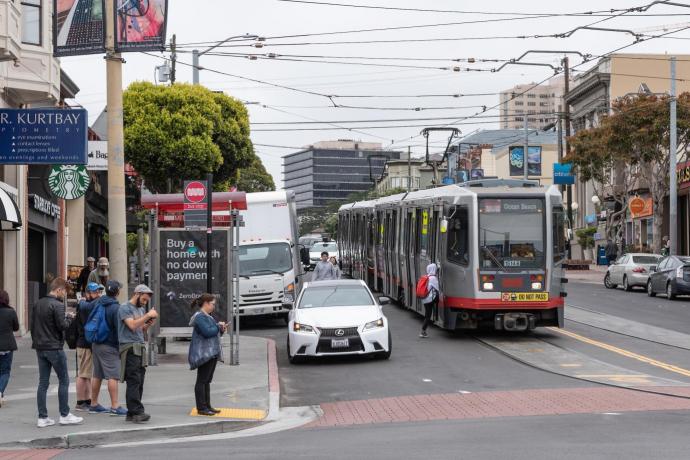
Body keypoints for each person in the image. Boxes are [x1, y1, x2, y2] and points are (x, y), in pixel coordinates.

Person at [31, 278, 83, 427]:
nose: (65, 294)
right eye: (65, 291)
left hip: (40, 347)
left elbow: (33, 326)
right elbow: (62, 326)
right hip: (54, 347)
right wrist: (70, 317)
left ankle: (42, 417)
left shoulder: (38, 303)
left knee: (43, 383)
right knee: (64, 380)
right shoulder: (58, 305)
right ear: (59, 289)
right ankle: (64, 414)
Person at [118, 284, 158, 423]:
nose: (145, 302)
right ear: (137, 294)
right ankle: (137, 411)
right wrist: (148, 315)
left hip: (139, 347)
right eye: (144, 299)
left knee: (139, 381)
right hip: (129, 348)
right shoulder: (124, 308)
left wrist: (148, 324)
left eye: (146, 301)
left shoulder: (140, 309)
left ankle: (131, 412)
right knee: (134, 380)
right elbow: (132, 326)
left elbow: (139, 329)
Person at [89, 280, 127, 416]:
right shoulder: (116, 308)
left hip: (96, 342)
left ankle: (93, 403)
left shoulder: (99, 303)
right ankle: (115, 406)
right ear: (117, 292)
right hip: (109, 345)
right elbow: (119, 329)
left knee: (97, 374)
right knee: (113, 376)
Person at [188, 294, 226, 416]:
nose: (214, 306)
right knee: (202, 380)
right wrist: (218, 327)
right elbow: (207, 332)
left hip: (211, 352)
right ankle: (201, 408)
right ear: (206, 303)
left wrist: (221, 329)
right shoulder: (200, 317)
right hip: (204, 353)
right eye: (213, 304)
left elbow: (214, 333)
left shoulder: (207, 317)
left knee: (207, 380)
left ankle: (207, 406)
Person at [74, 282, 103, 412]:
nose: (98, 294)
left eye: (98, 292)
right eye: (95, 292)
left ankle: (87, 400)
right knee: (82, 374)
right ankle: (81, 402)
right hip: (84, 344)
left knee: (86, 374)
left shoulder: (84, 304)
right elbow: (92, 305)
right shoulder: (87, 305)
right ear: (88, 293)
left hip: (84, 343)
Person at [0, 290, 18, 407]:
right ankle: (0, 392)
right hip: (7, 345)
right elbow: (16, 328)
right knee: (5, 371)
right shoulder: (11, 312)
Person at [419, 264, 440, 339]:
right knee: (428, 316)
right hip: (429, 299)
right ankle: (423, 331)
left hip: (425, 299)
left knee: (427, 315)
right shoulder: (433, 278)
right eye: (436, 269)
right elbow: (438, 289)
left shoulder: (427, 277)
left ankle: (423, 331)